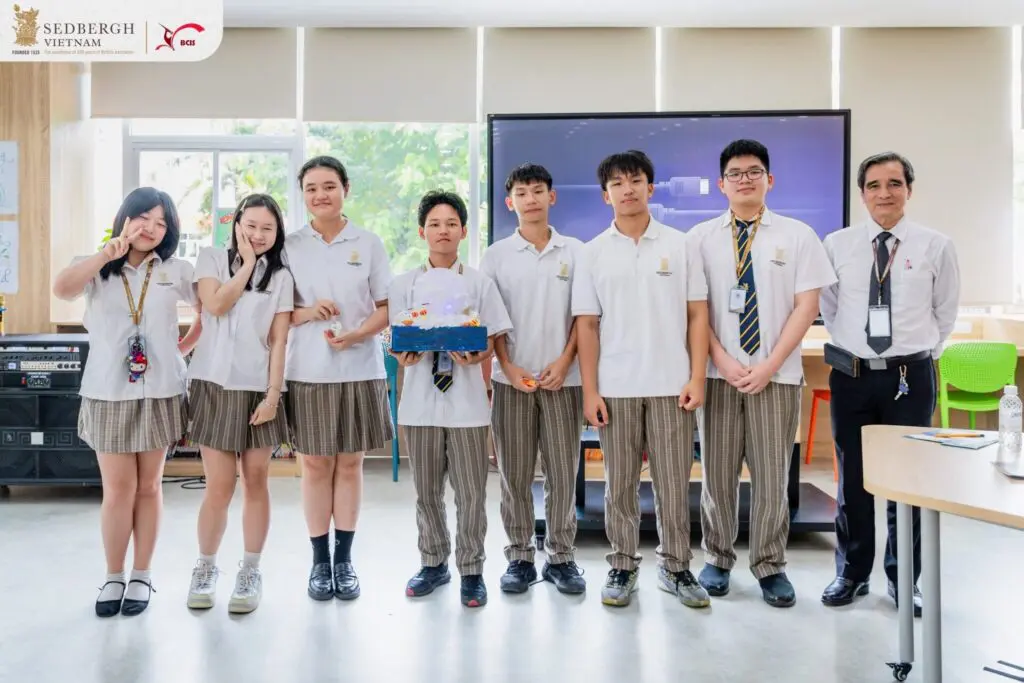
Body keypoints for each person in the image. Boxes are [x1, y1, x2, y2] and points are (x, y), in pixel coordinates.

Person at [689, 139, 837, 608]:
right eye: (735, 173)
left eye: (754, 171)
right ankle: (717, 558)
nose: (745, 179)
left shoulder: (798, 236)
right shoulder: (699, 239)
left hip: (778, 375)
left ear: (769, 180)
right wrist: (722, 360)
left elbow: (807, 306)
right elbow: (695, 311)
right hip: (719, 375)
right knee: (717, 474)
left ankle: (770, 565)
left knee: (772, 476)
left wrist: (769, 364)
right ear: (721, 184)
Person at [819, 152, 960, 615]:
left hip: (909, 377)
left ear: (909, 190)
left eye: (894, 183)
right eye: (875, 185)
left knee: (907, 481)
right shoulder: (837, 245)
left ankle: (904, 580)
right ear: (862, 193)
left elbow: (945, 312)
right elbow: (831, 308)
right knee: (853, 481)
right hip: (852, 375)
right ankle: (852, 572)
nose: (885, 193)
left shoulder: (936, 245)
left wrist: (913, 354)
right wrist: (859, 349)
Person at [572, 150, 711, 608]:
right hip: (615, 387)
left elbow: (697, 315)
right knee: (620, 486)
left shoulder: (681, 244)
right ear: (605, 195)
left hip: (672, 385)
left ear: (650, 188)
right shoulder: (592, 252)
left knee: (673, 483)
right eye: (617, 183)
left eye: (635, 180)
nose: (626, 189)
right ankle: (622, 565)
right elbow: (587, 325)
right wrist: (590, 390)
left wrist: (697, 376)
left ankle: (676, 566)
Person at [52, 187, 200, 618]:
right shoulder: (95, 265)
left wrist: (182, 349)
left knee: (150, 487)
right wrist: (105, 254)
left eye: (161, 222)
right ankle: (114, 574)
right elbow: (62, 289)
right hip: (108, 391)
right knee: (118, 490)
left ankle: (142, 574)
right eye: (143, 218)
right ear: (125, 218)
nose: (151, 228)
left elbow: (211, 310)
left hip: (160, 391)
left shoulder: (176, 269)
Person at [389, 189, 512, 608]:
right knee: (426, 492)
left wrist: (480, 354)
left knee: (471, 494)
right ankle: (433, 562)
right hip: (420, 403)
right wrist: (402, 355)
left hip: (468, 405)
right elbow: (398, 338)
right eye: (435, 224)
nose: (443, 231)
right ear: (422, 231)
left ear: (463, 231)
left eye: (451, 224)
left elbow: (492, 338)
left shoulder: (479, 283)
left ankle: (472, 570)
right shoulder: (403, 284)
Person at [284, 156, 394, 601]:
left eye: (329, 186)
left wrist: (358, 334)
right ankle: (319, 561)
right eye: (311, 188)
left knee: (350, 464)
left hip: (359, 368)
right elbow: (276, 312)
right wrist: (310, 312)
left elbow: (387, 307)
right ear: (303, 195)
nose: (320, 195)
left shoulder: (368, 243)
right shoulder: (290, 246)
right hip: (307, 370)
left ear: (345, 189)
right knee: (314, 466)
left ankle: (344, 560)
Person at [479, 163, 587, 596]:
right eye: (522, 193)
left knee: (563, 472)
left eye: (538, 191)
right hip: (512, 382)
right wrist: (507, 366)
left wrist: (565, 361)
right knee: (515, 475)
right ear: (510, 203)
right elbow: (490, 320)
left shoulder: (575, 251)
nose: (530, 199)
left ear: (551, 197)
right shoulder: (496, 256)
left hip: (565, 381)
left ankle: (561, 557)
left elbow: (584, 316)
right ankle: (520, 556)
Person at [184, 194, 294, 614]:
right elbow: (215, 305)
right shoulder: (211, 258)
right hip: (212, 384)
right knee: (219, 485)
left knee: (256, 480)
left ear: (278, 232)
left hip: (257, 387)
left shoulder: (281, 276)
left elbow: (279, 340)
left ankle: (250, 571)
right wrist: (246, 265)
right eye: (251, 226)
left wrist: (273, 396)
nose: (259, 235)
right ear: (236, 225)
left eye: (268, 228)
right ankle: (205, 567)